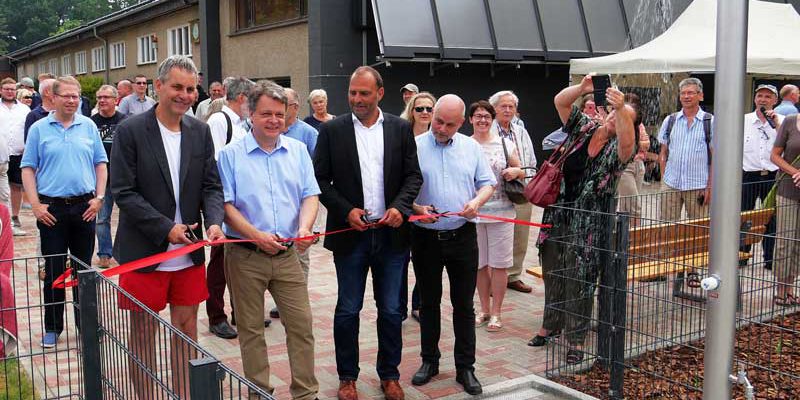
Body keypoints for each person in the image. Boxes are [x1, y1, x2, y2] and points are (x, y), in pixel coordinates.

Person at [111, 56, 224, 399]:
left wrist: (214, 222)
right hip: (145, 252)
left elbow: (211, 186)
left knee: (187, 331)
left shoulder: (200, 132)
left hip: (188, 254)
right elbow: (124, 192)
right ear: (158, 86)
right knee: (144, 333)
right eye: (177, 87)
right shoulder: (130, 131)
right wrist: (166, 228)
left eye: (190, 89)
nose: (185, 95)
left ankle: (184, 394)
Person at [314, 66, 422, 400]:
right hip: (351, 236)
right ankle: (347, 377)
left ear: (380, 93)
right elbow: (319, 180)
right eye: (352, 93)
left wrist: (400, 207)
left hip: (391, 236)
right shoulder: (332, 130)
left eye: (364, 93)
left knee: (391, 310)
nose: (357, 99)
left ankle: (389, 375)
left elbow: (413, 176)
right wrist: (345, 210)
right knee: (348, 309)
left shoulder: (400, 128)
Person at [219, 81, 320, 400]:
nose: (274, 120)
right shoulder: (230, 155)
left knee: (301, 326)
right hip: (245, 255)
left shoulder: (298, 151)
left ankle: (306, 393)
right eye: (266, 114)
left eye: (279, 113)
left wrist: (305, 227)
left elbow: (310, 195)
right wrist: (256, 235)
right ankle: (259, 392)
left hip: (289, 255)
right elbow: (226, 206)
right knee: (251, 330)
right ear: (250, 113)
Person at [531, 75, 636, 364]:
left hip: (589, 225)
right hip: (558, 213)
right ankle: (550, 325)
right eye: (612, 111)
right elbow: (560, 102)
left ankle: (575, 338)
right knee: (553, 272)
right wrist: (583, 88)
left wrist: (622, 108)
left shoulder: (619, 150)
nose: (615, 116)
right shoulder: (583, 129)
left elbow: (628, 142)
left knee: (581, 280)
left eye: (623, 116)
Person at [409, 94, 495, 395]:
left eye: (449, 124)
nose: (441, 129)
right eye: (438, 121)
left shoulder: (471, 148)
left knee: (464, 305)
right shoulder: (414, 146)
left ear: (461, 123)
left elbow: (488, 183)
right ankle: (429, 361)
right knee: (428, 303)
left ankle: (465, 367)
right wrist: (417, 209)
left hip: (462, 236)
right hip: (425, 238)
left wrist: (476, 202)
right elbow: (400, 189)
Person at [21, 76, 108, 348]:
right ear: (53, 97)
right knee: (54, 271)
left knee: (84, 271)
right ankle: (53, 327)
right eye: (66, 96)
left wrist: (99, 198)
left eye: (75, 96)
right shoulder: (39, 129)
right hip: (52, 210)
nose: (71, 100)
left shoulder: (88, 126)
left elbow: (101, 164)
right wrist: (35, 205)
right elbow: (28, 168)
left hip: (85, 208)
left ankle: (87, 325)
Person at [205, 76, 256, 339]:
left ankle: (240, 311)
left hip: (241, 205)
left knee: (239, 262)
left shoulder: (242, 124)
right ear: (242, 98)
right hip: (225, 204)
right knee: (219, 264)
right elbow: (213, 164)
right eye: (253, 100)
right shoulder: (219, 121)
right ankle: (216, 316)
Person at [469, 100, 525, 333]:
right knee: (480, 265)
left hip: (502, 213)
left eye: (487, 116)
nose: (482, 120)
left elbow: (522, 171)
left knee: (499, 265)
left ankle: (497, 312)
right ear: (470, 119)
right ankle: (483, 309)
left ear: (492, 120)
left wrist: (515, 171)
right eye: (478, 116)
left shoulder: (505, 144)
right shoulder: (465, 144)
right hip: (474, 214)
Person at [488, 90, 537, 294]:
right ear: (494, 109)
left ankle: (513, 275)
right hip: (495, 192)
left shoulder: (521, 131)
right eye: (503, 106)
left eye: (511, 106)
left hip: (520, 189)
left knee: (521, 235)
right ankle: (491, 279)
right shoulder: (487, 129)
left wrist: (526, 180)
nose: (508, 110)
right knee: (495, 237)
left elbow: (531, 159)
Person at [398, 91, 436, 323]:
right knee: (400, 262)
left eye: (429, 109)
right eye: (419, 108)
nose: (424, 112)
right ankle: (399, 307)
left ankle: (419, 304)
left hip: (428, 210)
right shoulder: (401, 136)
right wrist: (410, 205)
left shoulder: (438, 138)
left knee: (425, 262)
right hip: (404, 208)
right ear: (411, 111)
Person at [658, 77, 714, 221]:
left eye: (690, 93)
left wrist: (710, 186)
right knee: (667, 228)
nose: (686, 96)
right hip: (671, 184)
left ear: (700, 96)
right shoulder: (670, 120)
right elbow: (663, 152)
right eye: (683, 93)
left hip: (698, 186)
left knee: (698, 229)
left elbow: (715, 158)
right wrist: (664, 180)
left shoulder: (710, 122)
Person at [741, 85, 782, 271]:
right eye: (760, 96)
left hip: (772, 175)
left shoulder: (781, 121)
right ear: (755, 99)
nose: (763, 99)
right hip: (748, 175)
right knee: (745, 216)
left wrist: (776, 123)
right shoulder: (743, 120)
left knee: (770, 218)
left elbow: (788, 144)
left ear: (775, 101)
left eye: (768, 96)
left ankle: (769, 258)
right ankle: (742, 254)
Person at [90, 85, 126, 269]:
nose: (102, 100)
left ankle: (123, 251)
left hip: (122, 178)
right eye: (99, 97)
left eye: (106, 97)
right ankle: (104, 253)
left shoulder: (125, 121)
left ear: (116, 100)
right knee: (102, 218)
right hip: (100, 180)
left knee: (127, 217)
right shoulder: (90, 123)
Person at [771, 104, 800, 306]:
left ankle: (791, 288)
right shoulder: (790, 122)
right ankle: (781, 289)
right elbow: (774, 156)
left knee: (798, 242)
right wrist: (795, 172)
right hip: (788, 189)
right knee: (785, 240)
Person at [616, 93, 650, 225]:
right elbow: (621, 145)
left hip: (639, 165)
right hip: (626, 166)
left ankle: (624, 232)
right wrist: (637, 144)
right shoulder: (618, 122)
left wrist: (635, 144)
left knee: (627, 204)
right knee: (634, 205)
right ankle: (635, 233)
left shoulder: (639, 125)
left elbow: (647, 144)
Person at [0, 78, 29, 229]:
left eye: (12, 89)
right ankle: (2, 216)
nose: (10, 92)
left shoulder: (24, 109)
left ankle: (15, 215)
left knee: (16, 186)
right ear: (1, 90)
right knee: (2, 188)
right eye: (7, 89)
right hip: (1, 153)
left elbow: (29, 130)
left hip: (19, 153)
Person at [283, 88, 318, 156]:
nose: (279, 108)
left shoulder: (310, 133)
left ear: (296, 107)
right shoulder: (271, 131)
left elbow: (317, 160)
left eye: (284, 104)